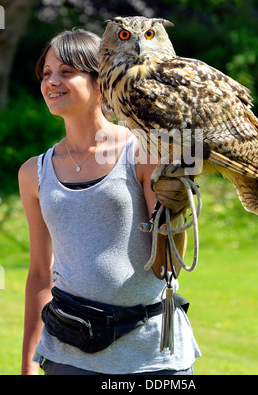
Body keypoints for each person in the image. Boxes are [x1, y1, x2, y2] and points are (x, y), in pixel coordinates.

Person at [19, 28, 200, 375]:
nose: (52, 82)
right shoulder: (34, 173)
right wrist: (28, 363)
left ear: (100, 79)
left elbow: (167, 265)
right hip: (67, 354)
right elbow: (41, 273)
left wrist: (174, 207)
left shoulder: (144, 152)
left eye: (66, 72)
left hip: (151, 354)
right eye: (46, 73)